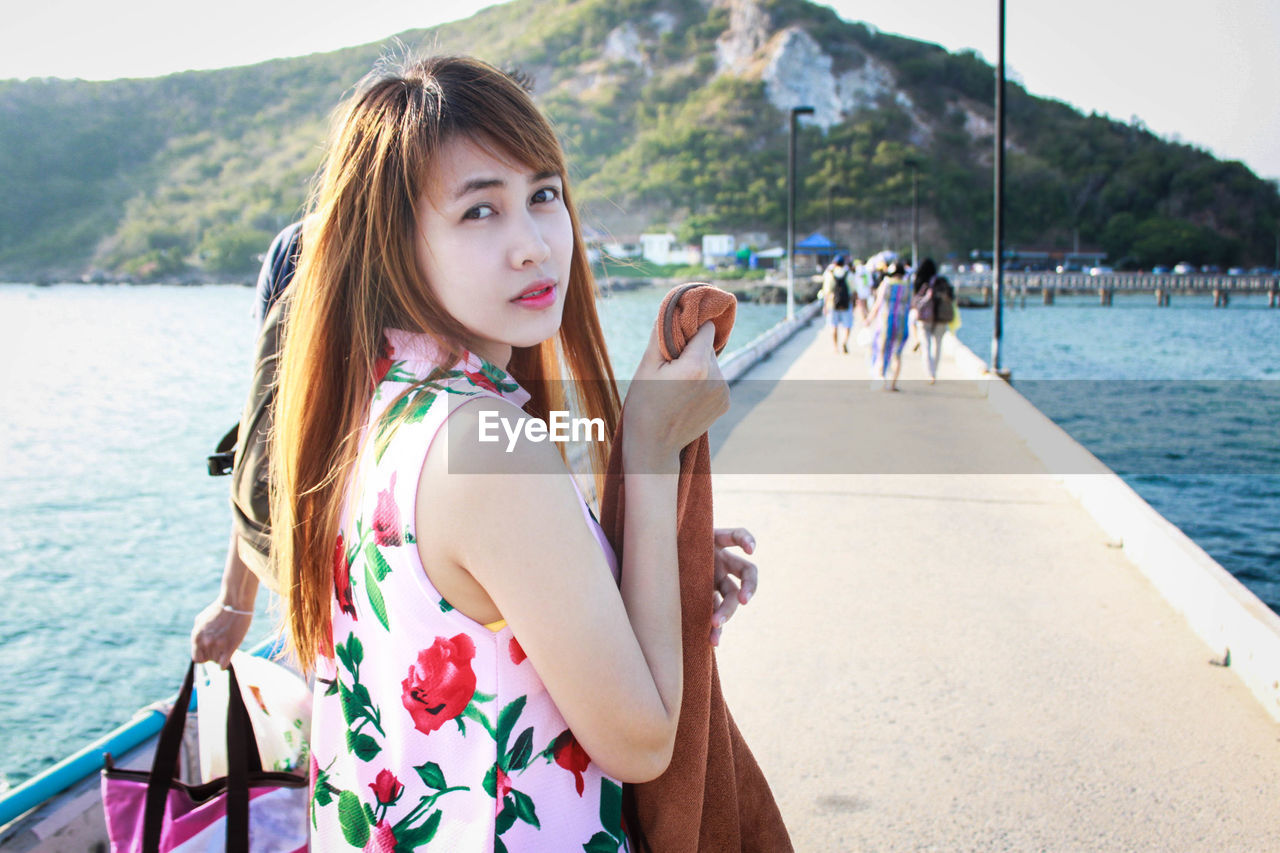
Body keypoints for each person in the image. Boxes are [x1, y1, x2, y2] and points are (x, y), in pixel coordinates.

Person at [269, 56, 755, 850]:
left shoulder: (371, 412)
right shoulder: (489, 448)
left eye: (543, 195)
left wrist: (657, 564)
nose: (533, 244)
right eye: (478, 212)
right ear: (396, 243)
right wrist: (651, 449)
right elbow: (642, 741)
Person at [865, 259, 912, 391]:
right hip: (902, 325)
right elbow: (912, 304)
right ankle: (893, 384)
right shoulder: (908, 286)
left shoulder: (886, 284)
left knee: (881, 352)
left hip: (886, 324)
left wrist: (869, 319)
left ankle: (881, 379)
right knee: (897, 355)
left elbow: (878, 304)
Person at [910, 258, 954, 383]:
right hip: (941, 318)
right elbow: (952, 297)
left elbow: (915, 301)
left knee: (926, 346)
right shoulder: (941, 281)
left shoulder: (919, 282)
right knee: (937, 345)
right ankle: (934, 371)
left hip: (925, 318)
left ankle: (929, 373)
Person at [819, 254, 854, 353]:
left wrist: (825, 306)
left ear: (834, 263)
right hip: (846, 304)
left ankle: (835, 346)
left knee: (833, 326)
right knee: (847, 325)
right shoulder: (849, 274)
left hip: (832, 304)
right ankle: (844, 341)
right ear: (843, 263)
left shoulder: (830, 274)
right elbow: (853, 291)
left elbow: (827, 292)